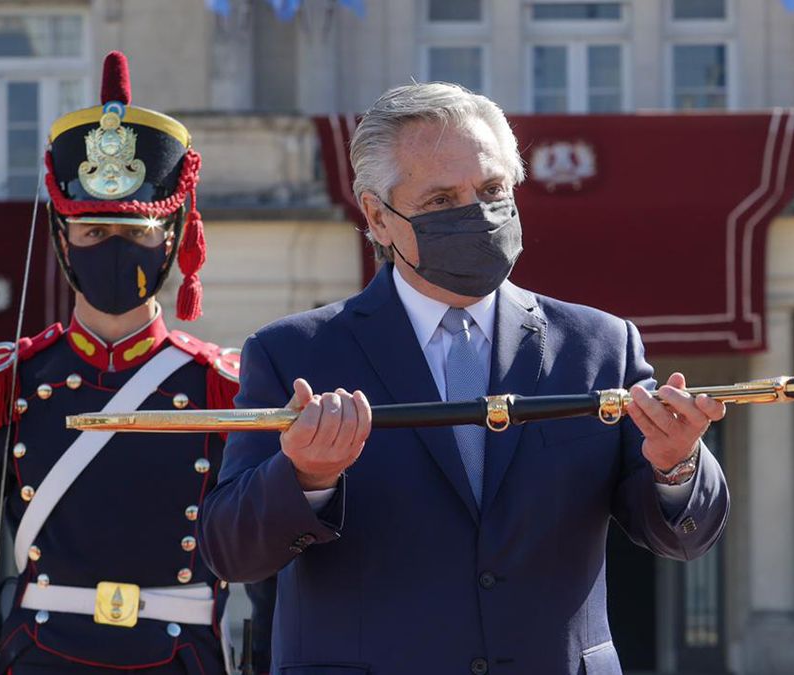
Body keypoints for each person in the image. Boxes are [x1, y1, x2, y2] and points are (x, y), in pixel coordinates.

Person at [198, 82, 730, 675]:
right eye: (442, 199)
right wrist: (304, 477)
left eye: (492, 189)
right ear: (377, 216)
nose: (476, 214)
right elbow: (229, 550)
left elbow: (683, 537)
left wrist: (677, 464)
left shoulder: (599, 345)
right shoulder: (294, 353)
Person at [0, 52, 272, 675]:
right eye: (93, 231)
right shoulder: (9, 383)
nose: (114, 248)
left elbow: (268, 578)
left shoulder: (223, 386)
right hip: (41, 658)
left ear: (174, 235)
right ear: (61, 237)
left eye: (136, 233)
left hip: (180, 659)